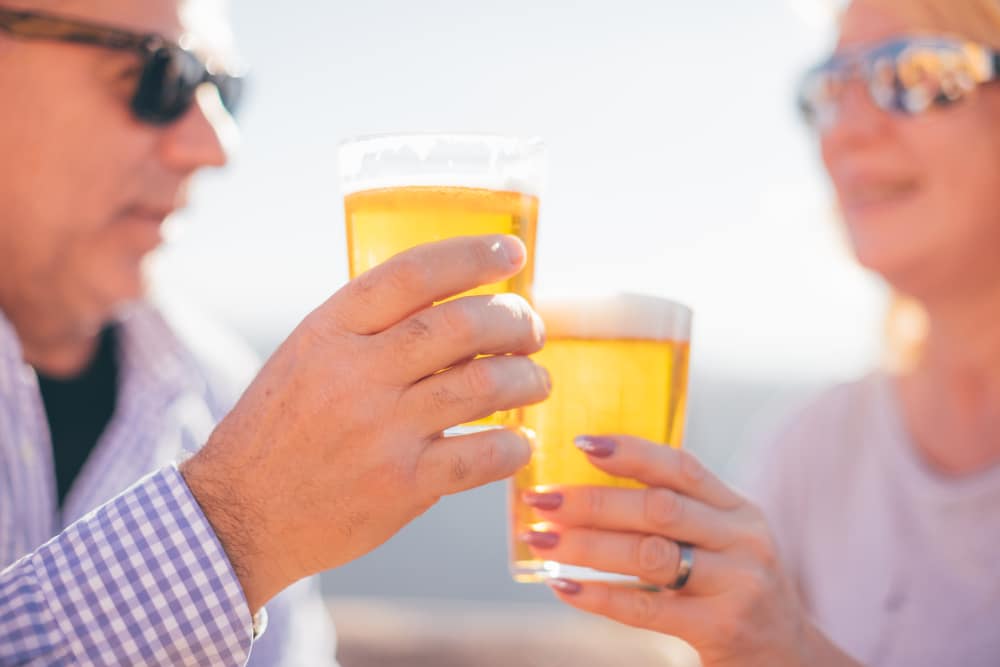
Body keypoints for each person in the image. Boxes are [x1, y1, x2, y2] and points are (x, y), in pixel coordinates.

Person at [0, 1, 550, 665]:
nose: (217, 145)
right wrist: (236, 528)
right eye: (162, 74)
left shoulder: (219, 388)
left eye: (223, 90)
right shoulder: (247, 442)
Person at [517, 0, 1000, 665]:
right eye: (831, 85)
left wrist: (794, 650)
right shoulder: (815, 451)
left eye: (912, 73)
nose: (845, 131)